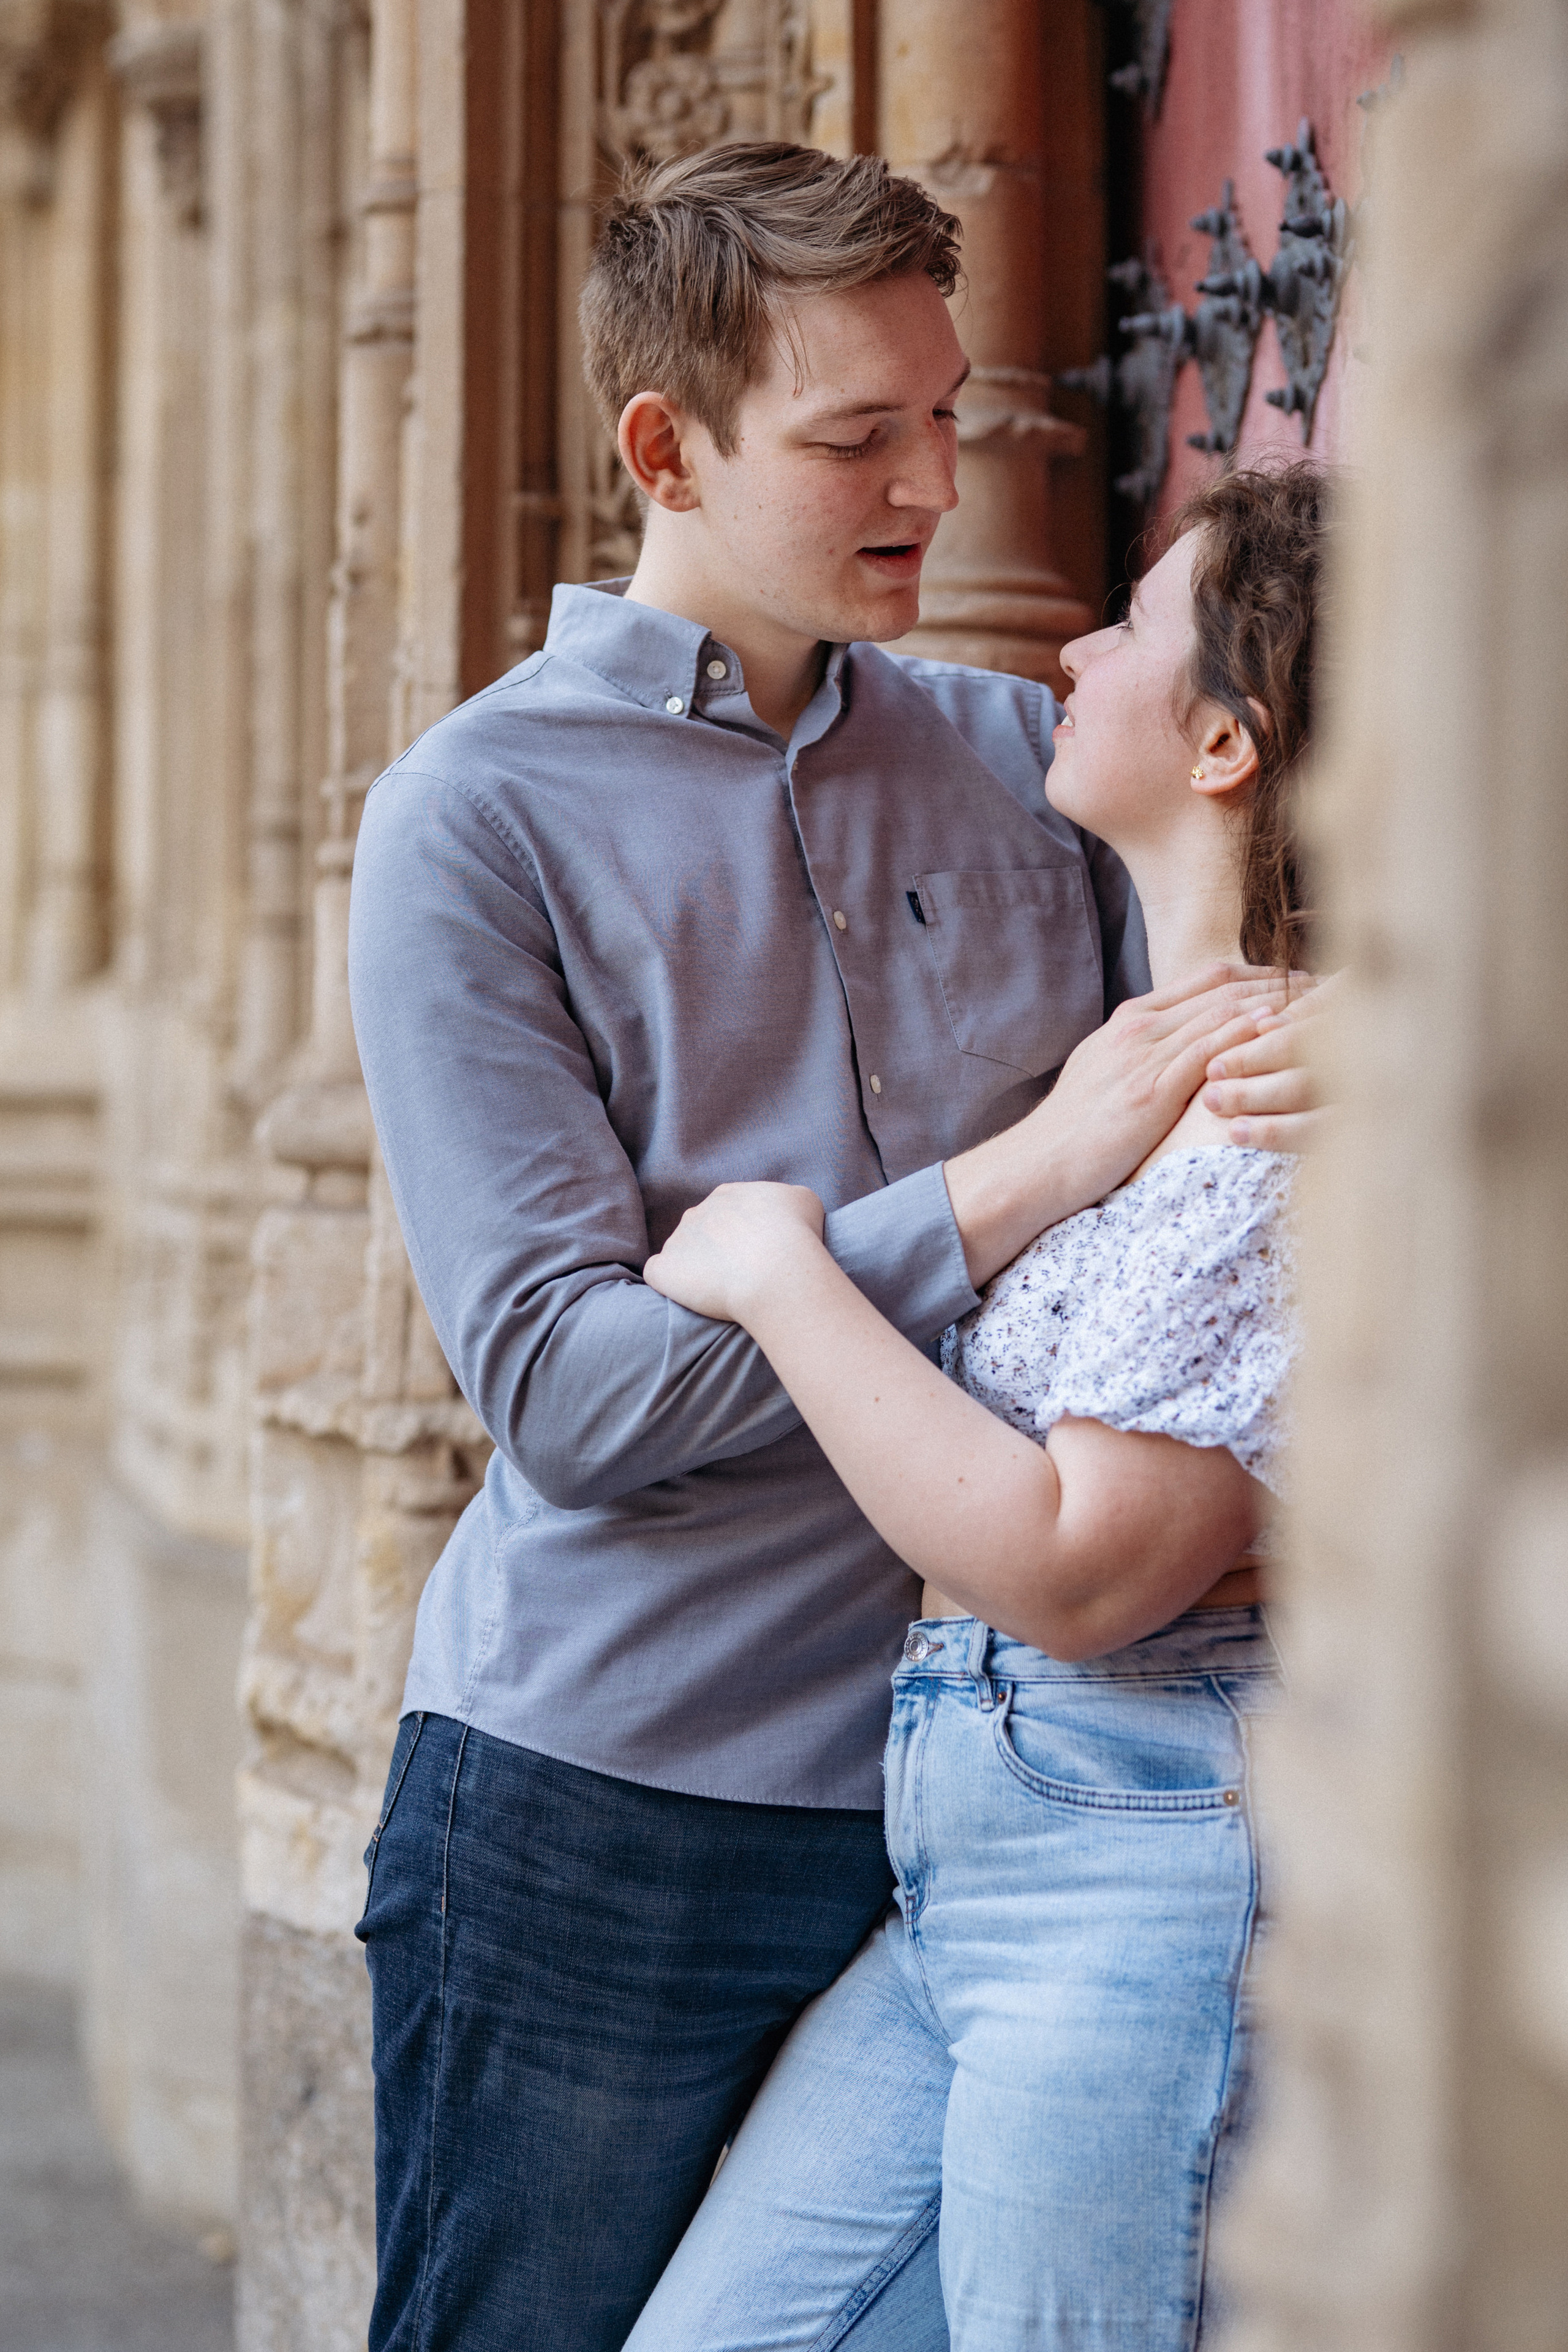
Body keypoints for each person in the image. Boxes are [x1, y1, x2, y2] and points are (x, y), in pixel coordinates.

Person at [347, 141, 1320, 2352]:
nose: (931, 486)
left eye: (945, 415)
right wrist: (1019, 1174)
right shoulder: (471, 826)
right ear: (663, 450)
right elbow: (580, 1404)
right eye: (855, 438)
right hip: (607, 1814)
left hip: (986, 1806)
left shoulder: (1020, 760)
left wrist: (1376, 1014)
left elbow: (1272, 953)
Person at [624, 462, 1324, 2351]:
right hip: (971, 1843)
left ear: (1229, 746)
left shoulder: (1286, 1117)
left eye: (1133, 624)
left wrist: (783, 1276)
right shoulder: (1152, 1055)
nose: (1069, 648)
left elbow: (1088, 1569)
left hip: (1149, 1844)